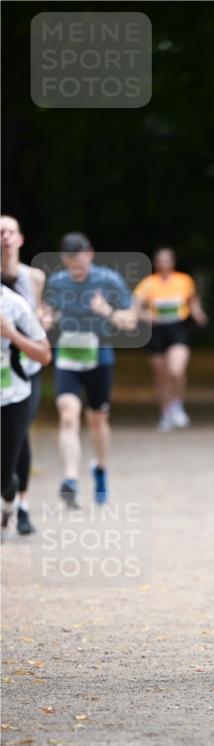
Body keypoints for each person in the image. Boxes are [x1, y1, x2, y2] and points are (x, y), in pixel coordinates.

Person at [42, 232, 136, 508]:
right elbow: (47, 313)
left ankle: (101, 468)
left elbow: (130, 322)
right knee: (68, 415)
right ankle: (70, 479)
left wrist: (107, 311)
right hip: (68, 359)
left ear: (90, 254)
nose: (77, 269)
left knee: (97, 421)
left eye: (80, 263)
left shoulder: (109, 280)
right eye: (72, 265)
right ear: (64, 260)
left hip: (99, 359)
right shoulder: (57, 283)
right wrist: (46, 319)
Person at [1, 215, 47, 534]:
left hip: (23, 371)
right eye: (0, 232)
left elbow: (37, 315)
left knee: (19, 435)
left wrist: (40, 321)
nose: (5, 236)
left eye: (10, 231)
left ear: (20, 238)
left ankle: (22, 504)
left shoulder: (33, 278)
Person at [133, 247, 208, 431]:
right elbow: (135, 307)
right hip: (157, 330)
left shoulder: (184, 280)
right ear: (156, 263)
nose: (164, 264)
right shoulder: (148, 284)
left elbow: (193, 300)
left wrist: (197, 312)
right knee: (161, 375)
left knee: (176, 370)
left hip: (178, 328)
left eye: (167, 260)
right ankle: (165, 412)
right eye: (161, 261)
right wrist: (146, 316)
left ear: (173, 262)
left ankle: (177, 405)